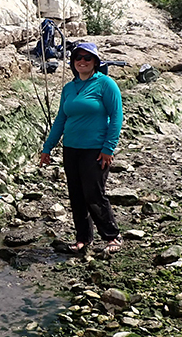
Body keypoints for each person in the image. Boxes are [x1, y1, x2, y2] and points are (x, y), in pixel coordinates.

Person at [39, 42, 123, 255]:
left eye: (87, 58)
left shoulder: (106, 84)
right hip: (71, 148)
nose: (82, 61)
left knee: (94, 194)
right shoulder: (69, 88)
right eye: (78, 57)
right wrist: (47, 148)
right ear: (72, 61)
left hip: (95, 149)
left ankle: (112, 236)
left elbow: (116, 118)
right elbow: (60, 119)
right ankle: (83, 239)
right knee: (76, 194)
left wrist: (108, 148)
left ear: (95, 62)